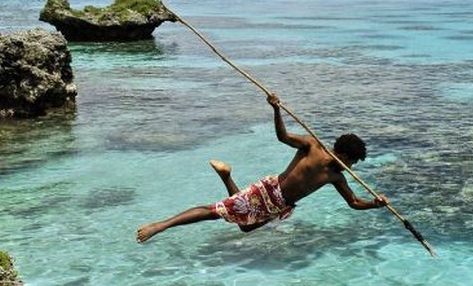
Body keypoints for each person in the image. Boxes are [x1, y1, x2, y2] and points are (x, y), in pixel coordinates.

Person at [136, 93, 389, 243]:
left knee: (245, 227)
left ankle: (226, 175)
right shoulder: (313, 146)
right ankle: (161, 225)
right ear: (343, 154)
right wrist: (276, 110)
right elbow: (283, 137)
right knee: (217, 211)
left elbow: (354, 202)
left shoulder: (335, 176)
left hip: (281, 205)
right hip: (269, 191)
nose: (351, 167)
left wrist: (374, 204)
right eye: (352, 162)